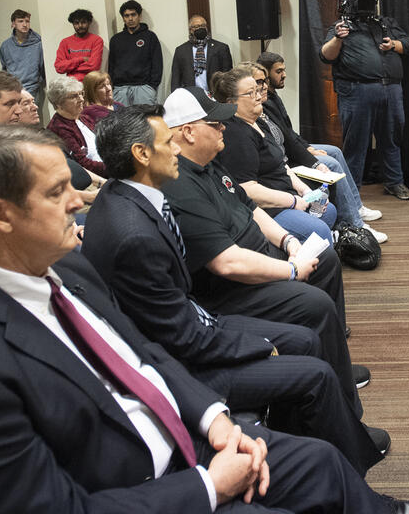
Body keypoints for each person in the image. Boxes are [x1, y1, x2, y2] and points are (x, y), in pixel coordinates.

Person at [0, 126, 409, 514]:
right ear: (0, 214)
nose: (76, 202)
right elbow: (53, 507)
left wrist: (215, 421)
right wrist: (209, 487)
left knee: (319, 463)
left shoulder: (65, 266)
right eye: (56, 192)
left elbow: (144, 354)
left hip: (183, 437)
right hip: (139, 488)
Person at [84, 105, 387, 474]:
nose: (176, 148)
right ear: (141, 154)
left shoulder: (130, 196)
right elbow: (182, 337)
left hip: (190, 324)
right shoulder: (134, 233)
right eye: (167, 142)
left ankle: (309, 450)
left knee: (307, 339)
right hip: (180, 361)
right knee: (313, 363)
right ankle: (343, 471)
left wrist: (288, 245)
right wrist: (261, 345)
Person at [161, 86, 370, 408]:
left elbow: (250, 208)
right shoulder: (180, 183)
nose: (223, 128)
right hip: (231, 288)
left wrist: (288, 241)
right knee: (315, 304)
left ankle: (333, 356)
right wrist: (290, 269)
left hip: (258, 254)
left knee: (326, 259)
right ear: (188, 132)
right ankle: (342, 401)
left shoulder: (210, 164)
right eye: (214, 124)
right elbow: (227, 264)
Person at [258, 51, 385, 240]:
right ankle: (355, 224)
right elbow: (287, 142)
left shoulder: (272, 97)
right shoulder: (263, 104)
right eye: (278, 71)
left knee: (335, 151)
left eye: (284, 70)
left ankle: (356, 207)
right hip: (288, 159)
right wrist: (311, 157)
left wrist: (307, 147)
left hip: (291, 149)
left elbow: (289, 134)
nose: (284, 75)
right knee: (331, 163)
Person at [211, 67, 336, 244]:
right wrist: (293, 201)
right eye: (250, 93)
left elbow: (281, 165)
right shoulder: (236, 134)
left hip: (286, 194)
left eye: (257, 90)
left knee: (329, 211)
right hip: (267, 209)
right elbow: (248, 189)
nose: (258, 96)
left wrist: (305, 191)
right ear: (232, 103)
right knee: (320, 230)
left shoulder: (258, 122)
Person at [320, 0, 409, 199]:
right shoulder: (341, 26)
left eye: (372, 0)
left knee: (391, 138)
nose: (369, 4)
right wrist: (338, 38)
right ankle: (351, 189)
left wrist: (393, 45)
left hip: (391, 89)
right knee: (356, 143)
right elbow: (326, 55)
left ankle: (394, 182)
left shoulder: (387, 23)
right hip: (356, 91)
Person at [45, 75, 106, 175]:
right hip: (94, 176)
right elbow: (82, 164)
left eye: (81, 93)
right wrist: (113, 167)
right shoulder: (59, 128)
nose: (81, 99)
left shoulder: (84, 118)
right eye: (74, 96)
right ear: (59, 103)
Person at [107, 0, 162, 105]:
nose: (130, 18)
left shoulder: (150, 37)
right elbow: (111, 66)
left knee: (145, 116)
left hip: (144, 88)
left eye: (133, 14)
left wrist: (152, 86)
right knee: (121, 116)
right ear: (123, 18)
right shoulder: (115, 39)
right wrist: (113, 86)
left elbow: (157, 64)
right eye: (126, 16)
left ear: (139, 16)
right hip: (120, 90)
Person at [171, 14, 233, 91]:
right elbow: (175, 79)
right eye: (196, 26)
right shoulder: (181, 50)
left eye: (203, 26)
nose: (200, 28)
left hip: (215, 93)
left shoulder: (221, 48)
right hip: (190, 94)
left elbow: (227, 76)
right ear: (190, 30)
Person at [0, 8, 45, 107]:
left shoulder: (39, 44)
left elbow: (43, 69)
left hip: (33, 89)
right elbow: (5, 69)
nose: (24, 24)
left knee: (31, 115)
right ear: (13, 24)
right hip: (12, 90)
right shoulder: (5, 46)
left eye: (27, 21)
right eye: (20, 21)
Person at [54, 8, 106, 82]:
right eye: (76, 23)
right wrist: (81, 59)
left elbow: (94, 66)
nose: (80, 26)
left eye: (83, 22)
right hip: (71, 84)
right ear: (73, 24)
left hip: (91, 83)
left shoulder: (97, 40)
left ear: (89, 22)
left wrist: (70, 67)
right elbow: (59, 67)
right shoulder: (65, 42)